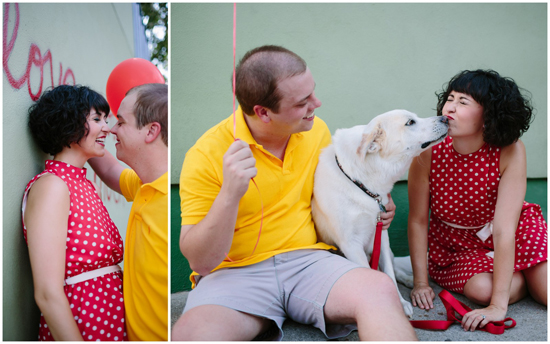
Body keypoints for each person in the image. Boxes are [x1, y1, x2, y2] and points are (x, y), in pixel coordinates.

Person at [172, 45, 417, 341]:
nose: (317, 103)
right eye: (303, 102)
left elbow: (348, 188)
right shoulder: (205, 154)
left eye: (312, 92)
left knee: (379, 288)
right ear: (263, 112)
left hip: (311, 262)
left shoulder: (317, 131)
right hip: (234, 275)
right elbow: (200, 261)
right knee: (191, 333)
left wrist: (379, 204)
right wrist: (230, 194)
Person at [407, 69, 547, 332]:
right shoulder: (427, 150)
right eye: (450, 98)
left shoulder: (511, 149)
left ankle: (528, 275)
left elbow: (506, 230)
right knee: (483, 290)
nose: (450, 108)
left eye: (463, 102)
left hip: (515, 231)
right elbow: (417, 220)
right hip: (457, 247)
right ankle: (519, 276)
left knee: (547, 292)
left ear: (489, 115)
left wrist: (498, 307)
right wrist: (421, 282)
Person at [22, 85, 126, 341]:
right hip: (84, 320)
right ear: (69, 123)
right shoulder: (52, 186)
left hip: (107, 316)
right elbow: (47, 293)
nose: (108, 127)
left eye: (106, 119)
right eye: (97, 119)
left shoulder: (78, 183)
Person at [88, 83, 168, 341]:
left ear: (151, 131)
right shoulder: (144, 184)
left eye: (120, 122)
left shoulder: (175, 203)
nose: (111, 129)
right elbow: (111, 171)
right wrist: (81, 134)